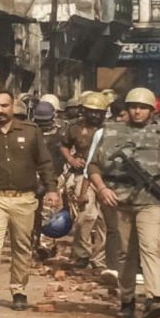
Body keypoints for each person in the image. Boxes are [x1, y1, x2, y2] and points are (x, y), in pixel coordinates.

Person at [87, 87, 160, 318]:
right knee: (125, 253)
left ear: (151, 111)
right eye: (133, 106)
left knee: (150, 247)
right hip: (119, 201)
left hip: (152, 201)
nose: (137, 111)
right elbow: (93, 166)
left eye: (143, 107)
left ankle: (155, 298)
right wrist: (102, 188)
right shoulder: (110, 131)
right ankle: (127, 299)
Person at [0, 91, 59, 315]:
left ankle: (18, 289)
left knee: (22, 247)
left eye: (4, 106)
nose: (0, 111)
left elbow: (44, 162)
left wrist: (52, 188)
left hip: (23, 199)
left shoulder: (31, 131)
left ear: (12, 106)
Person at [61, 92, 111, 272]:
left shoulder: (111, 129)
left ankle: (99, 258)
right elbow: (63, 145)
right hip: (81, 175)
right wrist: (71, 160)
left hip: (106, 177)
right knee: (86, 216)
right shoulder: (74, 127)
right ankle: (81, 253)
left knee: (104, 220)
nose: (95, 115)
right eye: (91, 111)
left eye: (99, 112)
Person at [34, 100, 67, 261]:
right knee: (33, 213)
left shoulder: (60, 135)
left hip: (54, 177)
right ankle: (33, 243)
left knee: (49, 212)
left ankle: (45, 245)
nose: (43, 124)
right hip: (33, 177)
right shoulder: (31, 132)